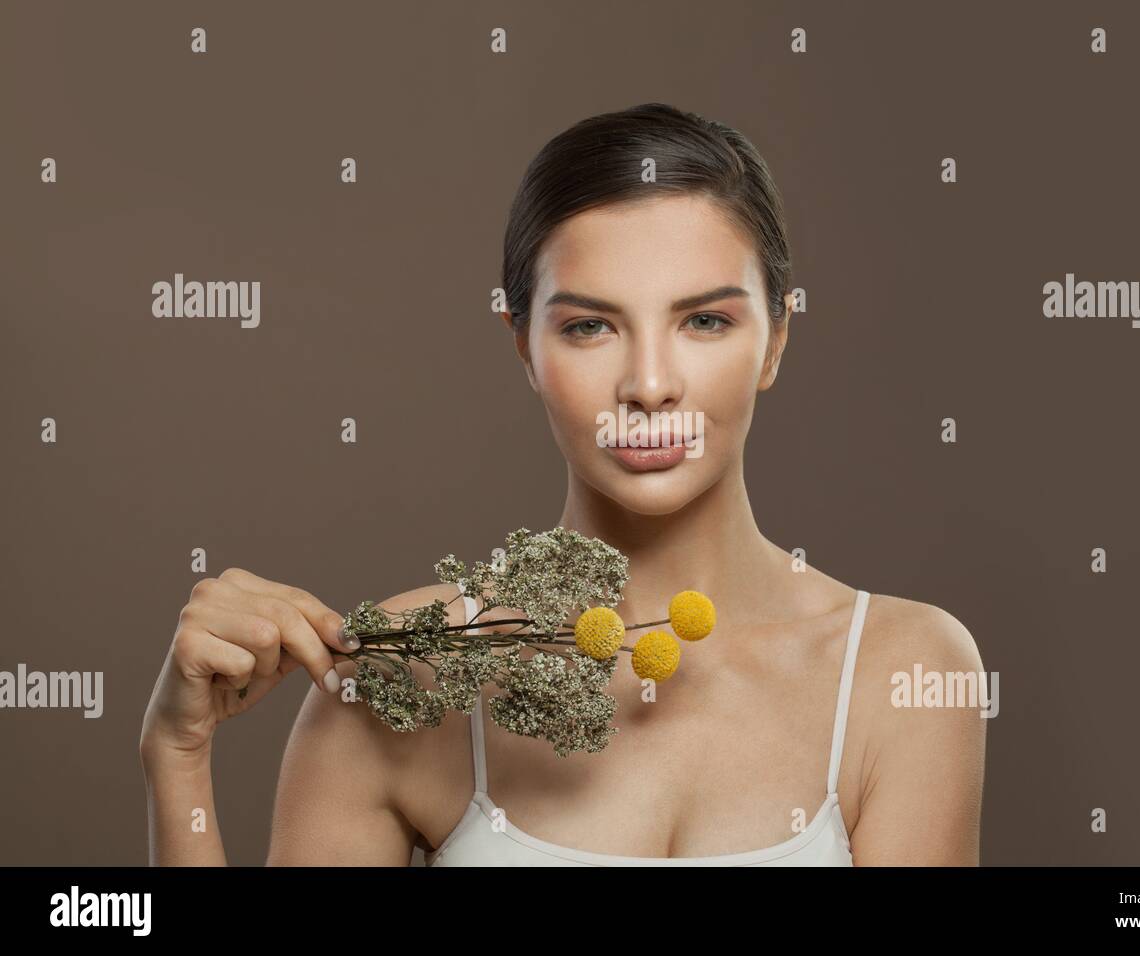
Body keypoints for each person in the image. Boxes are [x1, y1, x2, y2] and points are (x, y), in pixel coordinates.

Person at [140, 102, 987, 866]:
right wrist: (177, 758)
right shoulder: (404, 675)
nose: (649, 385)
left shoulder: (901, 672)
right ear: (524, 346)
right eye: (589, 326)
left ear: (776, 338)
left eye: (705, 321)